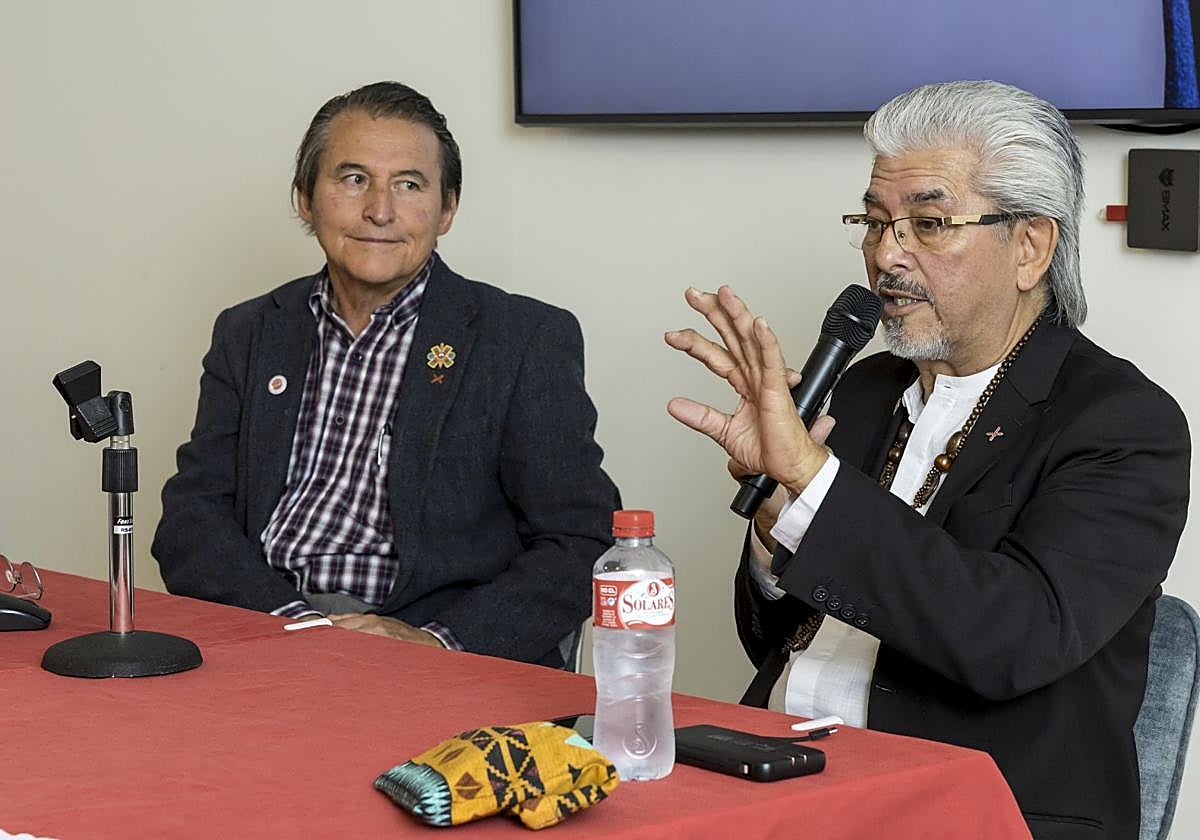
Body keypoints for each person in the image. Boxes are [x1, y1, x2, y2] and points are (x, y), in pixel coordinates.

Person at [665, 80, 1190, 838]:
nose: (886, 255)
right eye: (875, 222)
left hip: (968, 812)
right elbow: (776, 640)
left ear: (1031, 247)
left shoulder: (1123, 423)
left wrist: (813, 480)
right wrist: (779, 510)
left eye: (929, 223)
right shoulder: (867, 389)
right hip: (772, 782)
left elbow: (1012, 637)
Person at [153, 81, 619, 668]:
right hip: (265, 636)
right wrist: (296, 626)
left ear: (446, 209)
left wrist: (436, 644)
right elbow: (192, 520)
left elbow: (581, 543)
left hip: (434, 655)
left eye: (409, 184)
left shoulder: (522, 340)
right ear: (305, 198)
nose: (379, 210)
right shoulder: (251, 332)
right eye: (353, 180)